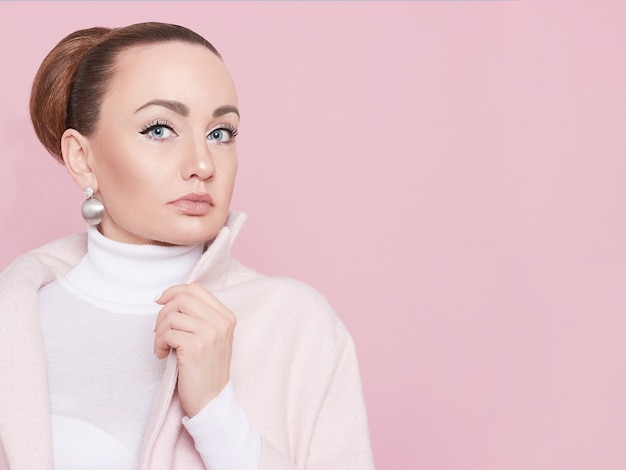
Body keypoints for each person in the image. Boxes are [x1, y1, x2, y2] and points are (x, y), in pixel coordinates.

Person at [0, 22, 374, 470]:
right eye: (159, 129)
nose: (202, 164)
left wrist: (217, 415)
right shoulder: (18, 323)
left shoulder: (297, 327)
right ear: (82, 159)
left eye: (221, 133)